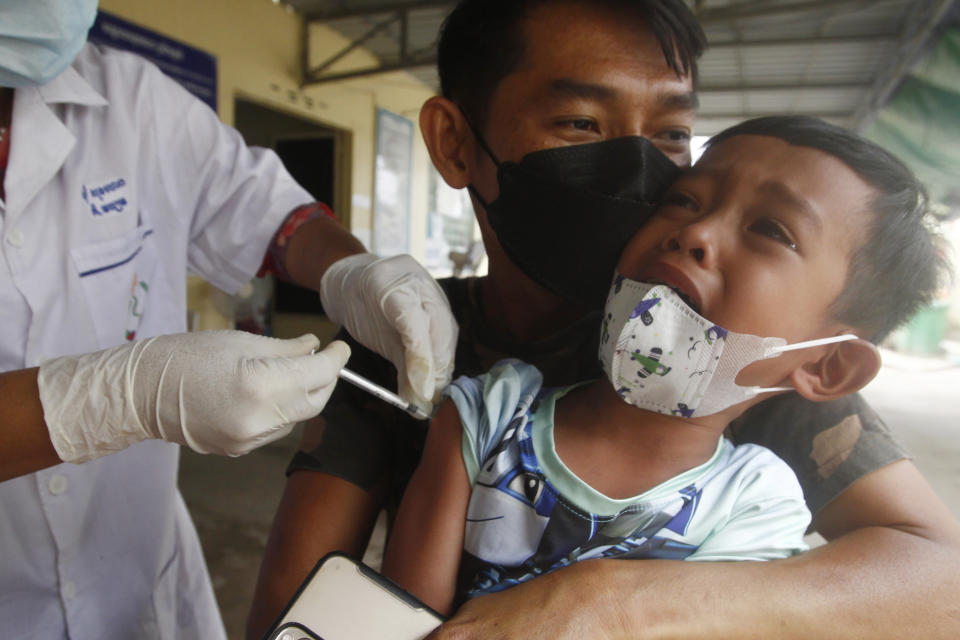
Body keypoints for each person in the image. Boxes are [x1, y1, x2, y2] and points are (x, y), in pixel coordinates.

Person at [249, 1, 960, 638]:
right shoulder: (403, 340)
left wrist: (615, 603)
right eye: (583, 122)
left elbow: (940, 581)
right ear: (456, 142)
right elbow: (293, 607)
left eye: (674, 132)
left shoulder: (737, 364)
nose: (642, 166)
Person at [0, 1, 457, 638]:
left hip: (141, 580)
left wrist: (349, 274)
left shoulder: (132, 100)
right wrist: (116, 400)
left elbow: (269, 215)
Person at [380, 115, 945, 615]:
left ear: (828, 368)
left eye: (771, 230)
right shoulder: (489, 412)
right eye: (685, 200)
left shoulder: (756, 505)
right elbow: (399, 620)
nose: (695, 232)